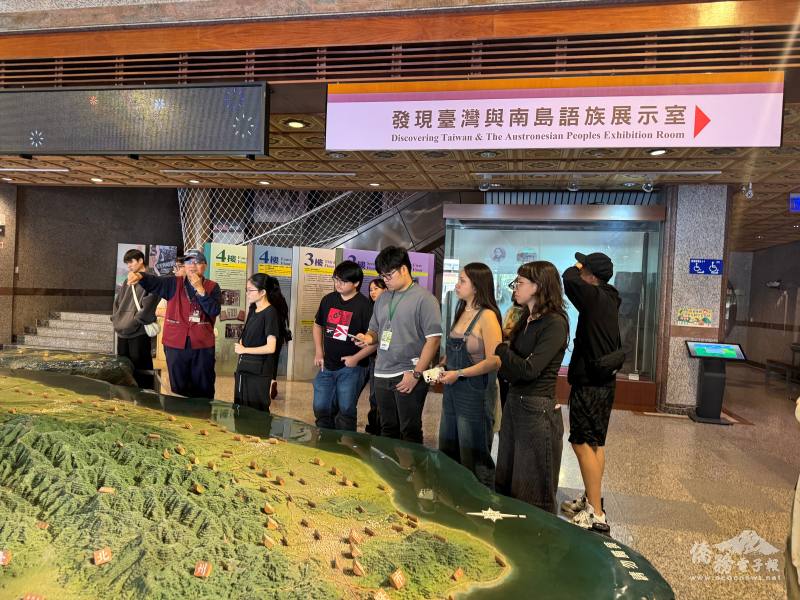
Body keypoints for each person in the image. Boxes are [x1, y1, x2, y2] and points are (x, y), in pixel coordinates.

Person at [494, 261, 569, 514]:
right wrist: (507, 357)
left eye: (520, 283)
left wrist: (502, 349)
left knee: (532, 489)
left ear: (537, 287)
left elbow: (529, 370)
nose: (515, 287)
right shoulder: (526, 318)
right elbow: (511, 370)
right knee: (508, 478)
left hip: (537, 410)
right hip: (515, 402)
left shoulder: (555, 323)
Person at [560, 252, 622, 532]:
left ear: (592, 277)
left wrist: (578, 266)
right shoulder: (609, 296)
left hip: (589, 384)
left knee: (581, 442)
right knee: (596, 443)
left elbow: (568, 277)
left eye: (585, 268)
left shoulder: (594, 297)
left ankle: (596, 513)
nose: (580, 270)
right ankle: (591, 498)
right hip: (604, 382)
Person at [354, 246, 442, 443]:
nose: (385, 280)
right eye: (382, 276)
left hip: (408, 373)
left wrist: (416, 374)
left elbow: (434, 340)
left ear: (404, 269)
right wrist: (367, 338)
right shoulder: (383, 298)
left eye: (389, 275)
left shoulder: (425, 299)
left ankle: (413, 464)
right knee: (387, 428)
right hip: (382, 373)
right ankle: (390, 464)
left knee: (409, 430)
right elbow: (374, 330)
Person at [437, 263, 502, 489]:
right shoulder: (461, 310)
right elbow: (454, 350)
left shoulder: (488, 316)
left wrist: (460, 373)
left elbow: (495, 360)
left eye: (462, 280)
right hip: (452, 391)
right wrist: (443, 365)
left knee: (473, 455)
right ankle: (451, 498)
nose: (457, 285)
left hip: (475, 393)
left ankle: (480, 503)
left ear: (476, 286)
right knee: (448, 447)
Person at [129, 249, 221, 399]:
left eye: (197, 262)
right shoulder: (173, 283)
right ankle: (179, 412)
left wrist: (200, 289)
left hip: (202, 345)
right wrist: (140, 276)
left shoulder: (212, 287)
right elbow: (154, 282)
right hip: (175, 344)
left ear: (205, 266)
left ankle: (204, 412)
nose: (192, 265)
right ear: (184, 265)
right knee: (178, 388)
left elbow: (214, 310)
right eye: (189, 262)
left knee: (204, 386)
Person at [312, 260, 375, 431]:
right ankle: (324, 438)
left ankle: (346, 442)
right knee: (320, 406)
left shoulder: (365, 306)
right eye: (336, 279)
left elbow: (374, 342)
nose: (338, 284)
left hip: (352, 367)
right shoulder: (328, 299)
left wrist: (355, 359)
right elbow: (317, 325)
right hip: (327, 364)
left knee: (346, 409)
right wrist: (319, 352)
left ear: (356, 283)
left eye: (343, 281)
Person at [111, 249, 159, 389]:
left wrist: (136, 320)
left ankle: (144, 397)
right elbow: (118, 302)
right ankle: (125, 396)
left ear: (140, 260)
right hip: (122, 330)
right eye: (127, 263)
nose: (129, 266)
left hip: (139, 331)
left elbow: (150, 304)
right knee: (123, 367)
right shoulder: (128, 280)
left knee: (141, 368)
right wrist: (116, 319)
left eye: (131, 262)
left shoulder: (151, 279)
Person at [234, 273, 281, 412]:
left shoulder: (270, 313)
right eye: (246, 289)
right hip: (245, 367)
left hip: (259, 371)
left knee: (256, 412)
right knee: (241, 409)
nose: (247, 293)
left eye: (250, 290)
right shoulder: (253, 309)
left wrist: (244, 350)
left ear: (263, 292)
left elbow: (271, 347)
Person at [365, 278, 387, 434]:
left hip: (385, 358)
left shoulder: (388, 309)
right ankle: (374, 426)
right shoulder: (370, 308)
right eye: (370, 289)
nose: (372, 292)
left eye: (376, 289)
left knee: (380, 396)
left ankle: (381, 427)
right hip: (372, 357)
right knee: (374, 396)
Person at [498, 292, 524, 409]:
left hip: (514, 357)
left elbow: (509, 331)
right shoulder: (513, 310)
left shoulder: (523, 312)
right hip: (506, 356)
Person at [268, 280, 291, 401]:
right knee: (274, 361)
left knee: (264, 361)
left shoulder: (266, 301)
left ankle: (265, 384)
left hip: (267, 336)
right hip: (279, 336)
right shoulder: (282, 300)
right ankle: (272, 380)